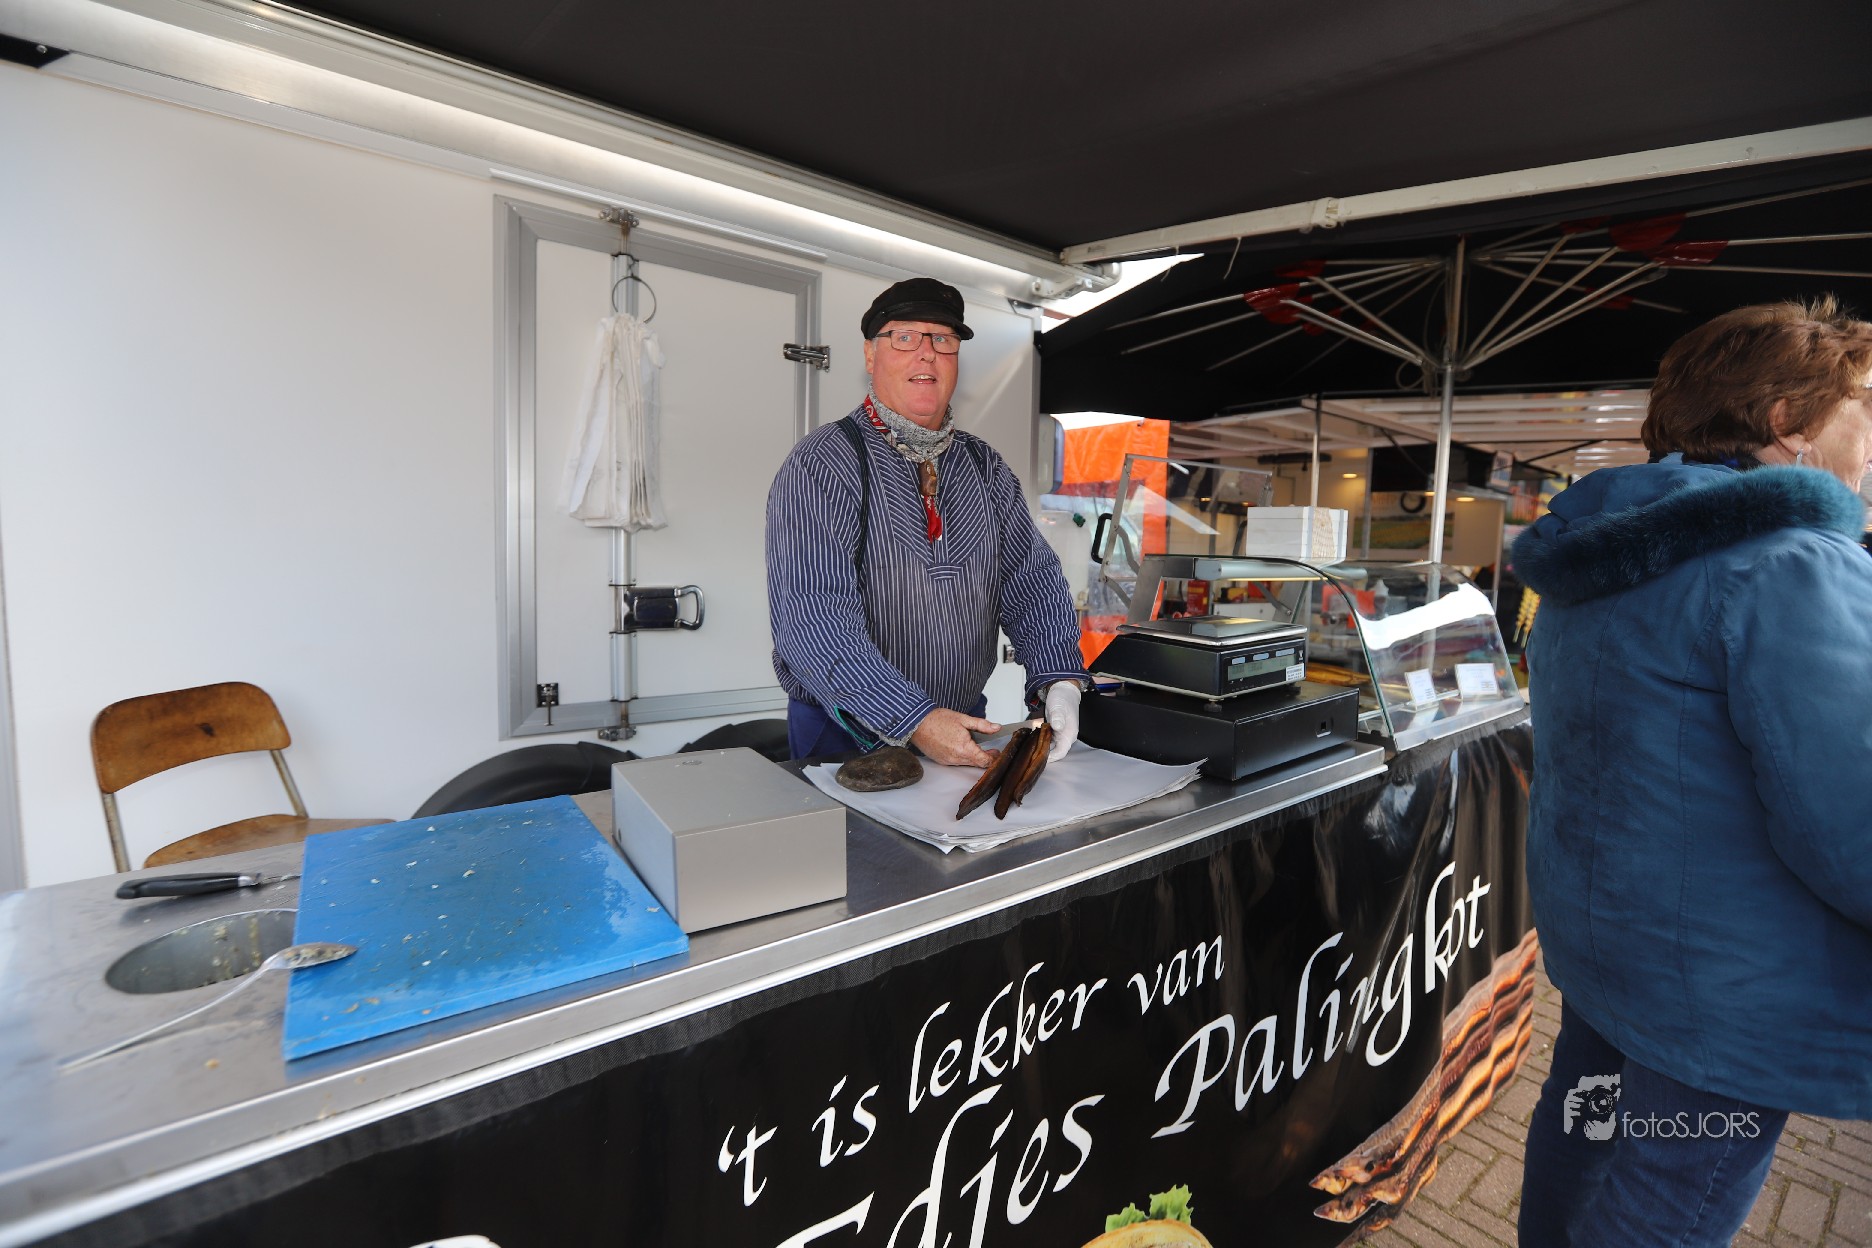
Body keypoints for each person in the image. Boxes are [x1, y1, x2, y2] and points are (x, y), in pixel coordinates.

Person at [1510, 297, 1872, 1247]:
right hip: (1726, 993)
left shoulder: (1600, 554)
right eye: (1863, 410)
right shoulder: (1792, 562)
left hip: (1608, 949)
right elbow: (1850, 818)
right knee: (1669, 1195)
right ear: (1789, 421)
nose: (1870, 442)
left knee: (1583, 1128)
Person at [765, 277, 1090, 767]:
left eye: (943, 339)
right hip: (845, 732)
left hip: (961, 719)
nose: (926, 353)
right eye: (904, 337)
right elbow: (813, 620)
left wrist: (1059, 677)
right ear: (870, 355)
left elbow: (1031, 581)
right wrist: (913, 719)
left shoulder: (985, 467)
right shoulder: (823, 463)